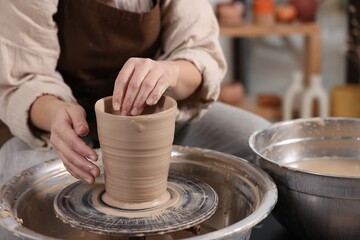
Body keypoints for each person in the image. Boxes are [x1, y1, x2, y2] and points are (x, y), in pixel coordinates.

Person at [0, 0, 270, 186]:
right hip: (60, 127)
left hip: (153, 114)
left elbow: (200, 52)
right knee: (23, 191)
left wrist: (170, 72)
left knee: (262, 149)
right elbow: (24, 78)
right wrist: (56, 114)